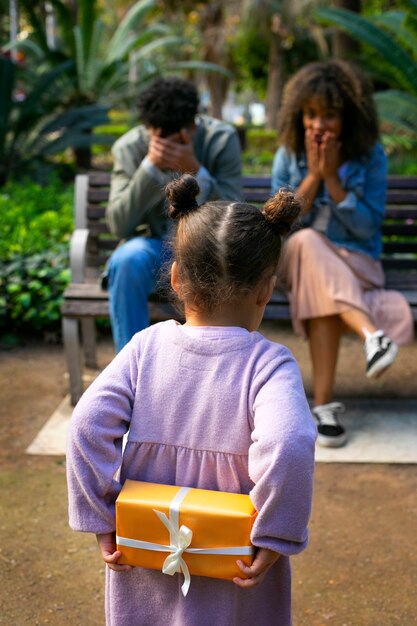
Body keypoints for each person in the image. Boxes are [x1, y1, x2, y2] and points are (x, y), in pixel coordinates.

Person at [67, 174, 317, 626]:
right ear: (266, 288)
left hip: (149, 548)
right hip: (234, 556)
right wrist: (275, 532)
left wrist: (103, 516)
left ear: (177, 278)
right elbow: (289, 441)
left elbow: (86, 425)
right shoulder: (269, 364)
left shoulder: (145, 347)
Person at [271, 60, 414, 448]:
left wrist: (335, 180)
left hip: (355, 264)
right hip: (296, 265)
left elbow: (367, 226)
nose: (318, 125)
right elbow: (280, 223)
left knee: (322, 290)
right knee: (304, 243)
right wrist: (315, 175)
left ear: (348, 118)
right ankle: (372, 336)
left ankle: (324, 405)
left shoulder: (370, 158)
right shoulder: (288, 153)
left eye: (329, 116)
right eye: (311, 114)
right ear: (298, 115)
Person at [105, 77, 243, 352]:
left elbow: (236, 219)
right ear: (147, 129)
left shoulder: (220, 140)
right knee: (126, 260)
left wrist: (194, 170)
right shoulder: (129, 148)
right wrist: (149, 169)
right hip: (153, 247)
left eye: (177, 135)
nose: (166, 144)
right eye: (157, 135)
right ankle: (132, 371)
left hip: (209, 250)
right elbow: (118, 224)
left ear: (193, 125)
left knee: (228, 270)